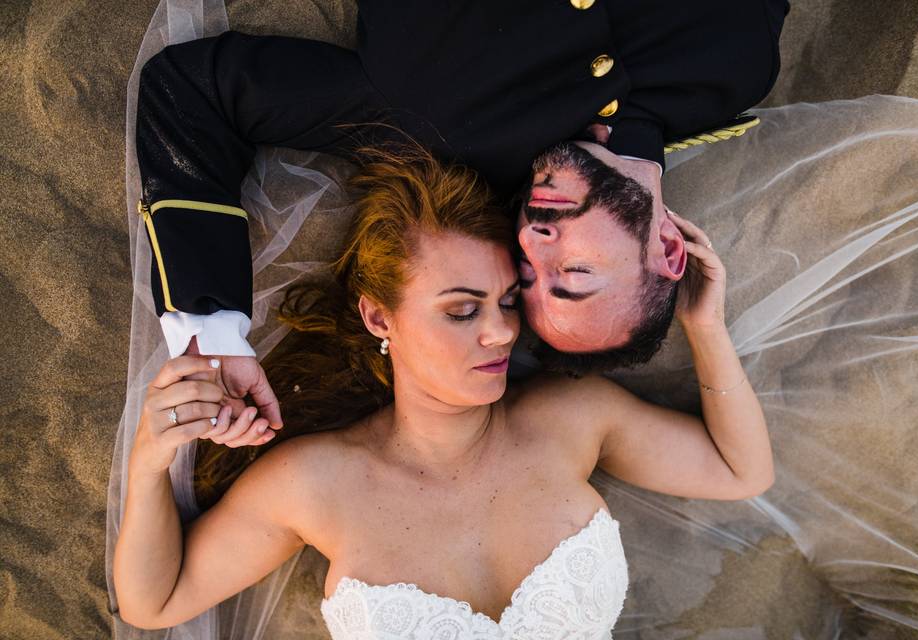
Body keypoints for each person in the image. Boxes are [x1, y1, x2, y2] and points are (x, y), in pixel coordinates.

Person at [113, 146, 774, 635]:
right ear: (380, 318)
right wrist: (148, 463)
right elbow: (156, 601)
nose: (499, 333)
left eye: (509, 302)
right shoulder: (316, 485)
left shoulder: (571, 418)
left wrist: (702, 324)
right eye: (462, 310)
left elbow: (741, 469)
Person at [133, 0, 790, 428]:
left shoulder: (432, 125)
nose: (534, 241)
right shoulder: (738, 66)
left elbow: (192, 96)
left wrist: (210, 335)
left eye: (526, 279)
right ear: (669, 249)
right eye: (575, 272)